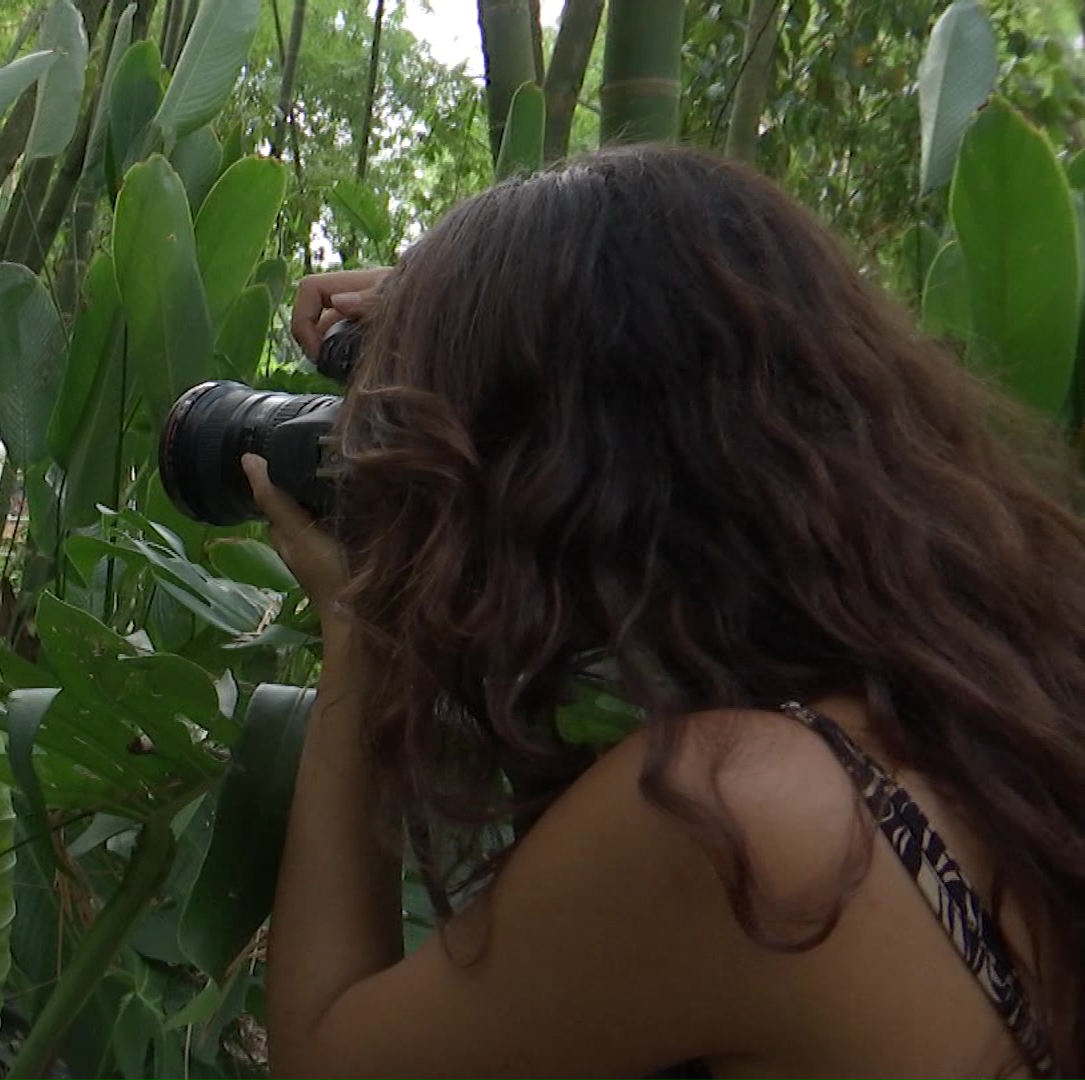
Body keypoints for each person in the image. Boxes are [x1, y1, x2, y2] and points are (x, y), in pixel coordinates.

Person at [243, 143, 1083, 1080]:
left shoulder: (742, 821)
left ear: (559, 484)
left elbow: (325, 1060)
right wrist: (477, 316)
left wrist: (361, 628)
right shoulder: (987, 700)